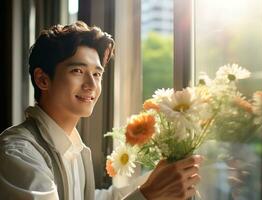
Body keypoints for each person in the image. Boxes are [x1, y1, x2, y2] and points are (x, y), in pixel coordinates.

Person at [0, 21, 202, 200]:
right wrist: (148, 194)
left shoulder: (74, 148)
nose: (91, 85)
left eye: (97, 74)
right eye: (77, 71)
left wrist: (158, 179)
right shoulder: (18, 153)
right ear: (42, 79)